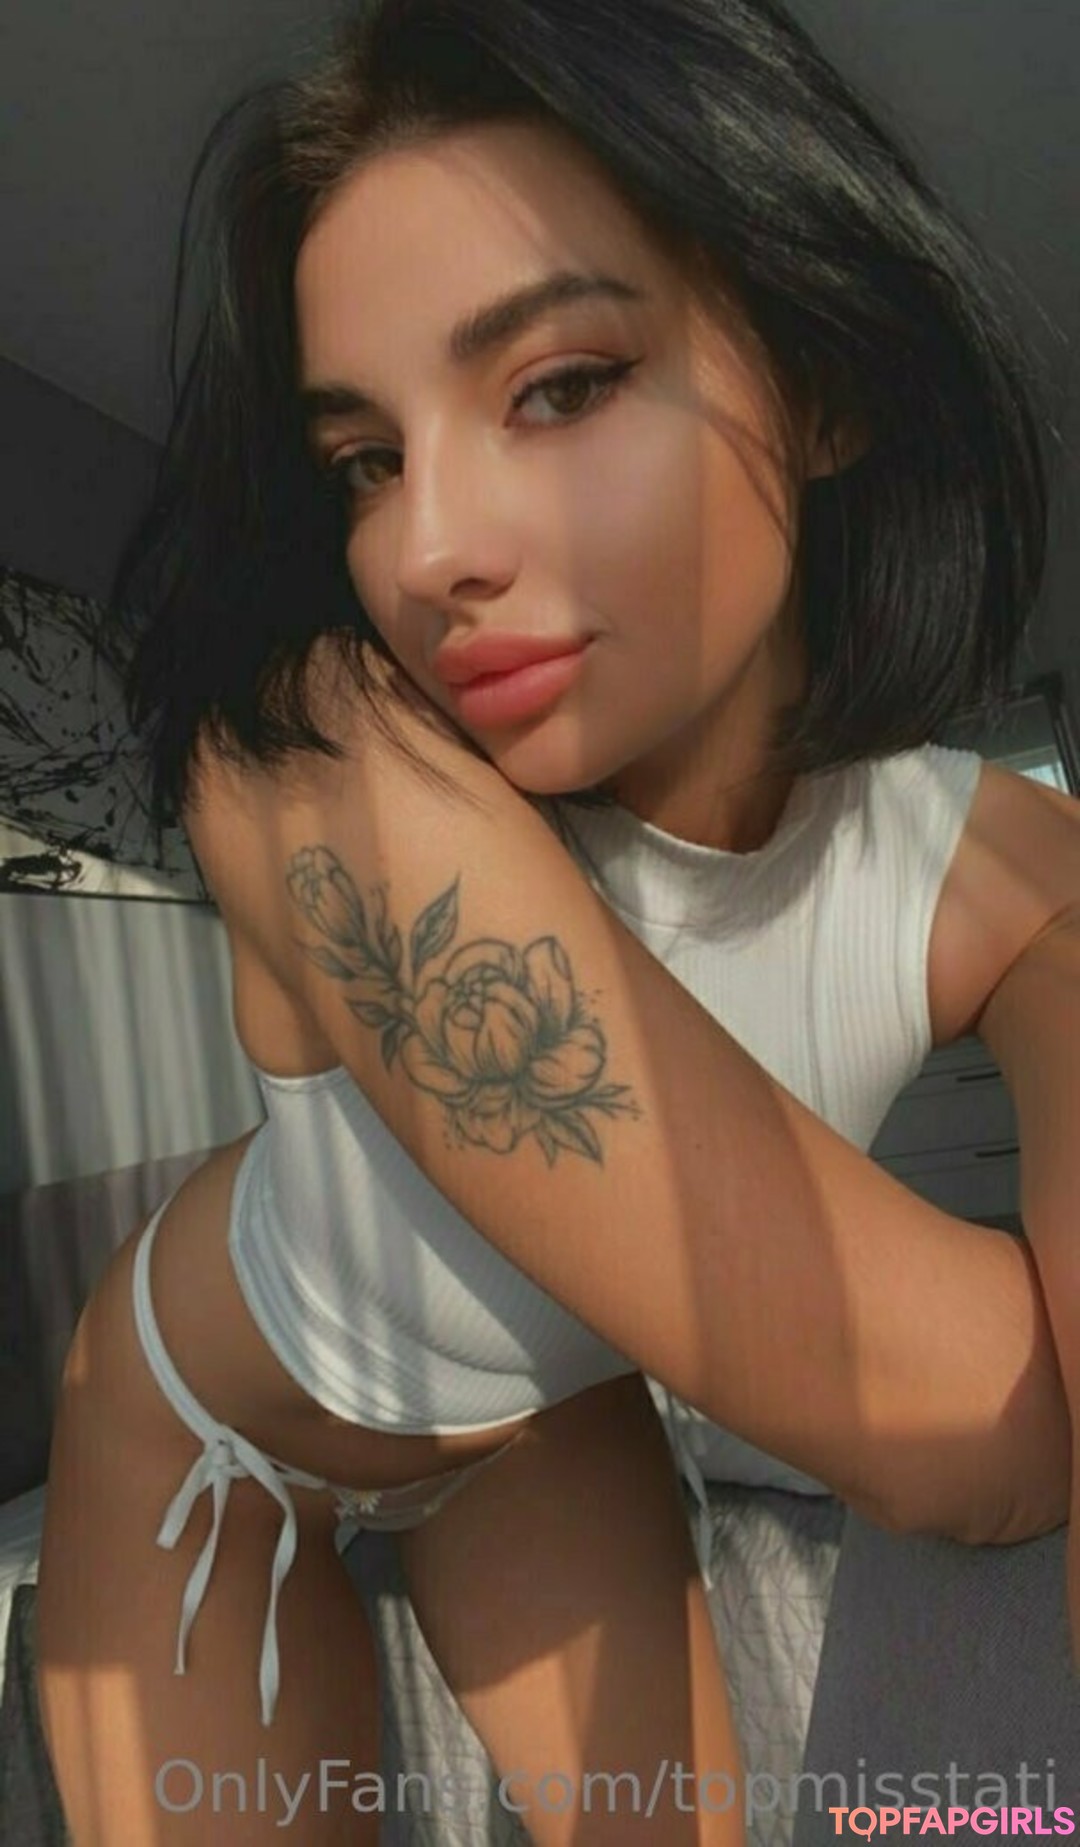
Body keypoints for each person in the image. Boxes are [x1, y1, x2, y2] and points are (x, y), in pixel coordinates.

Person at [36, 0, 1080, 1841]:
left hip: (546, 1425)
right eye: (365, 460)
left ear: (824, 380)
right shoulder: (319, 760)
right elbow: (963, 1440)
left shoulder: (1008, 866)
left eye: (560, 383)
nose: (425, 545)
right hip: (217, 1434)